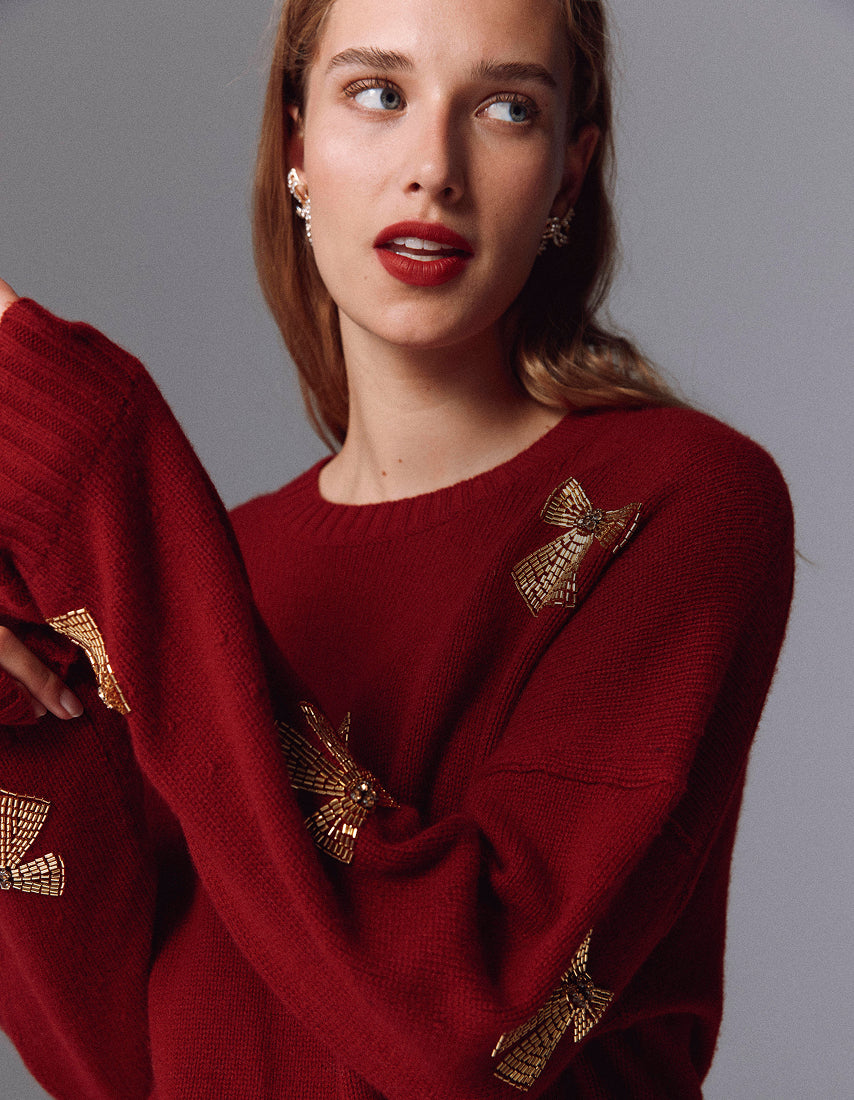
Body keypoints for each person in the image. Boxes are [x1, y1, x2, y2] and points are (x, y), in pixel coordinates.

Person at [0, 0, 794, 1096]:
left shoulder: (678, 502)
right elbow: (117, 1062)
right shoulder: (213, 571)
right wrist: (18, 725)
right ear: (295, 147)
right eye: (377, 92)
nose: (433, 166)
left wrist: (92, 460)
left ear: (569, 172)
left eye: (505, 107)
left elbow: (469, 1025)